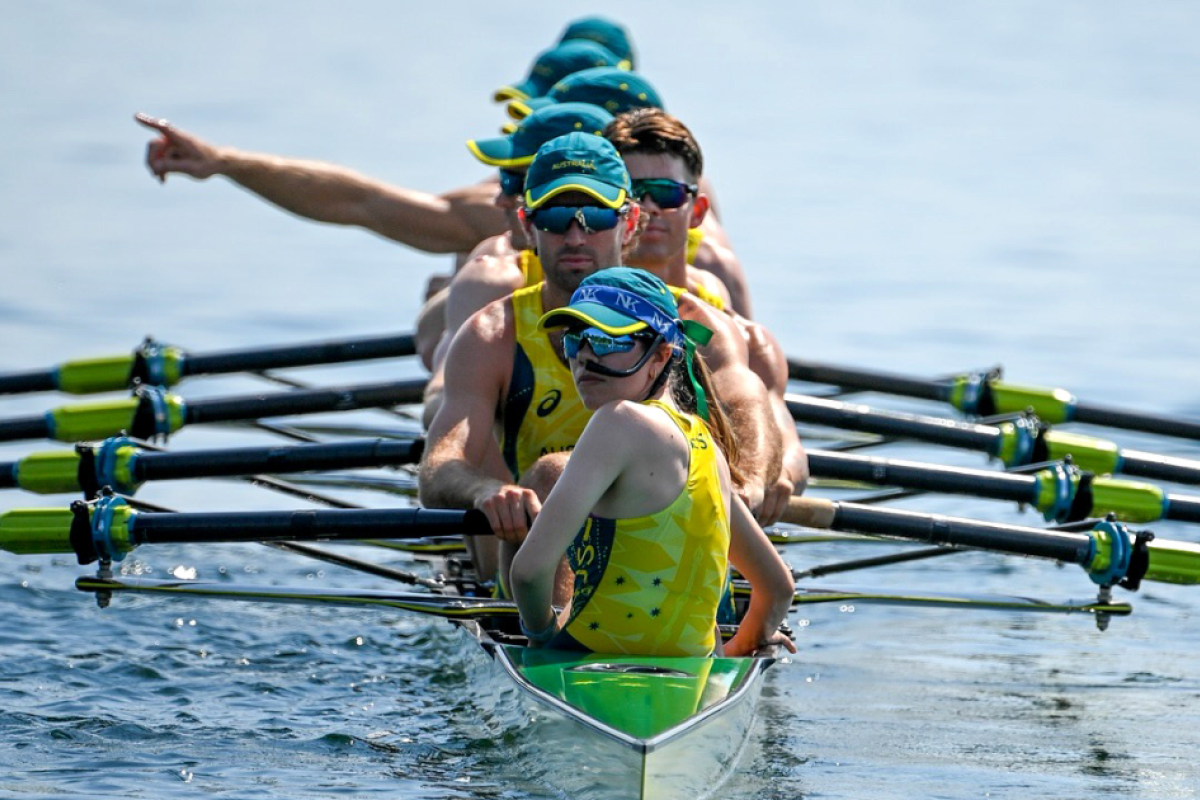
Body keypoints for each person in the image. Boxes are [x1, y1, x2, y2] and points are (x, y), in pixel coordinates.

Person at [419, 132, 781, 586]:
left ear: (630, 223)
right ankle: (549, 623)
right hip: (546, 548)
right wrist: (486, 491)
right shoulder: (493, 334)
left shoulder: (694, 323)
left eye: (594, 217)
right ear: (527, 225)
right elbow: (439, 467)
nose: (576, 236)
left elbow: (748, 405)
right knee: (552, 475)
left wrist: (750, 483)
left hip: (670, 554)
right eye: (554, 217)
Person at [507, 267, 796, 657]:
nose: (586, 356)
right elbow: (777, 587)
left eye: (607, 340)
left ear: (661, 354)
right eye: (575, 341)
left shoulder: (617, 421)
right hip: (694, 682)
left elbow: (528, 573)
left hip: (589, 665)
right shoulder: (706, 445)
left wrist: (540, 635)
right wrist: (742, 647)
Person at [604, 108, 807, 519]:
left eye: (664, 193)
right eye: (633, 192)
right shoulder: (565, 318)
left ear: (696, 212)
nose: (648, 207)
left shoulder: (741, 337)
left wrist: (772, 474)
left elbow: (789, 448)